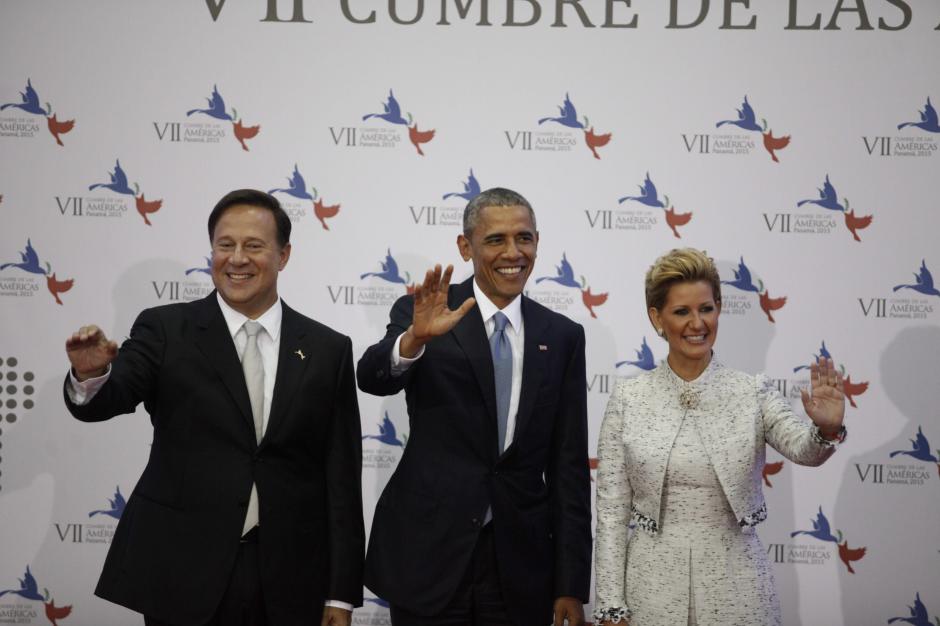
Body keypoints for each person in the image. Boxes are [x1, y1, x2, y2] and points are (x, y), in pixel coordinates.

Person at [63, 189, 365, 626]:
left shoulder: (327, 349)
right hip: (183, 568)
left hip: (292, 575)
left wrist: (340, 594)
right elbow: (113, 395)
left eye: (253, 246)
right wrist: (92, 376)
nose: (237, 259)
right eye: (225, 245)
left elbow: (341, 478)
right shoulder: (166, 329)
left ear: (283, 255)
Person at [357, 187, 592, 626]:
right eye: (495, 240)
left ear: (537, 243)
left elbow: (569, 467)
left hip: (520, 564)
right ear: (465, 247)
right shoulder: (425, 311)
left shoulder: (562, 335)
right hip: (429, 555)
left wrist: (571, 582)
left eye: (524, 238)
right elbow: (372, 378)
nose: (513, 253)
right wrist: (414, 339)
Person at [593, 248, 846, 626]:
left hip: (739, 588)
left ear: (719, 309)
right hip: (651, 590)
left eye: (707, 309)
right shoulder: (629, 398)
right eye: (682, 312)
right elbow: (612, 513)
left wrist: (826, 429)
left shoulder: (751, 391)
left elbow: (803, 449)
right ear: (657, 318)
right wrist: (611, 606)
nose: (697, 323)